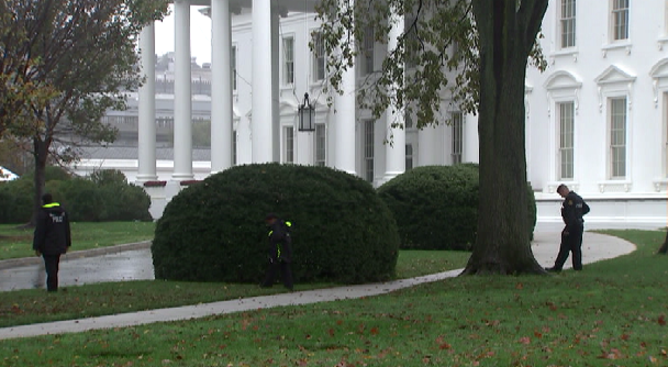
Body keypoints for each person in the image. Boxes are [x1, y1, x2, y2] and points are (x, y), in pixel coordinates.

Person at [546, 184, 590, 272]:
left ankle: (557, 267)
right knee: (576, 247)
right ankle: (577, 267)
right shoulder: (578, 198)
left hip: (572, 227)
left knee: (565, 248)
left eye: (561, 193)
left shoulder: (569, 200)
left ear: (564, 190)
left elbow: (570, 216)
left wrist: (567, 229)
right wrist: (579, 215)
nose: (561, 196)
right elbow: (586, 209)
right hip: (579, 225)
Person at [33, 193, 71, 292]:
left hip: (47, 246)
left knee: (50, 268)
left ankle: (52, 289)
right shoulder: (62, 212)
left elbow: (40, 231)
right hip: (60, 243)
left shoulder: (43, 214)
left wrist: (36, 246)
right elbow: (66, 228)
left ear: (43, 201)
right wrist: (67, 243)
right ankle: (54, 286)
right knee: (55, 266)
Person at [261, 213, 293, 290]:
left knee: (275, 266)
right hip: (284, 249)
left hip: (279, 250)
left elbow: (277, 236)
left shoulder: (277, 226)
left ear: (272, 219)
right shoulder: (282, 225)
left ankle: (267, 284)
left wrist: (273, 240)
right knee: (283, 267)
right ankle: (288, 285)